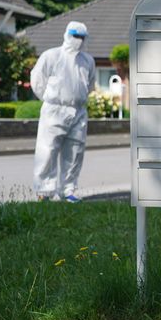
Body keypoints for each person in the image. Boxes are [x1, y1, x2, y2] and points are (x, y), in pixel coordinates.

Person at [30, 21, 96, 203]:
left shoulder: (87, 60)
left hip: (78, 111)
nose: (78, 41)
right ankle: (44, 191)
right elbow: (37, 80)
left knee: (75, 151)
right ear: (67, 34)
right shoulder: (51, 56)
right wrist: (49, 98)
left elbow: (89, 84)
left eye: (82, 37)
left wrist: (77, 99)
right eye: (75, 36)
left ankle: (68, 190)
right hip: (54, 109)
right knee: (47, 149)